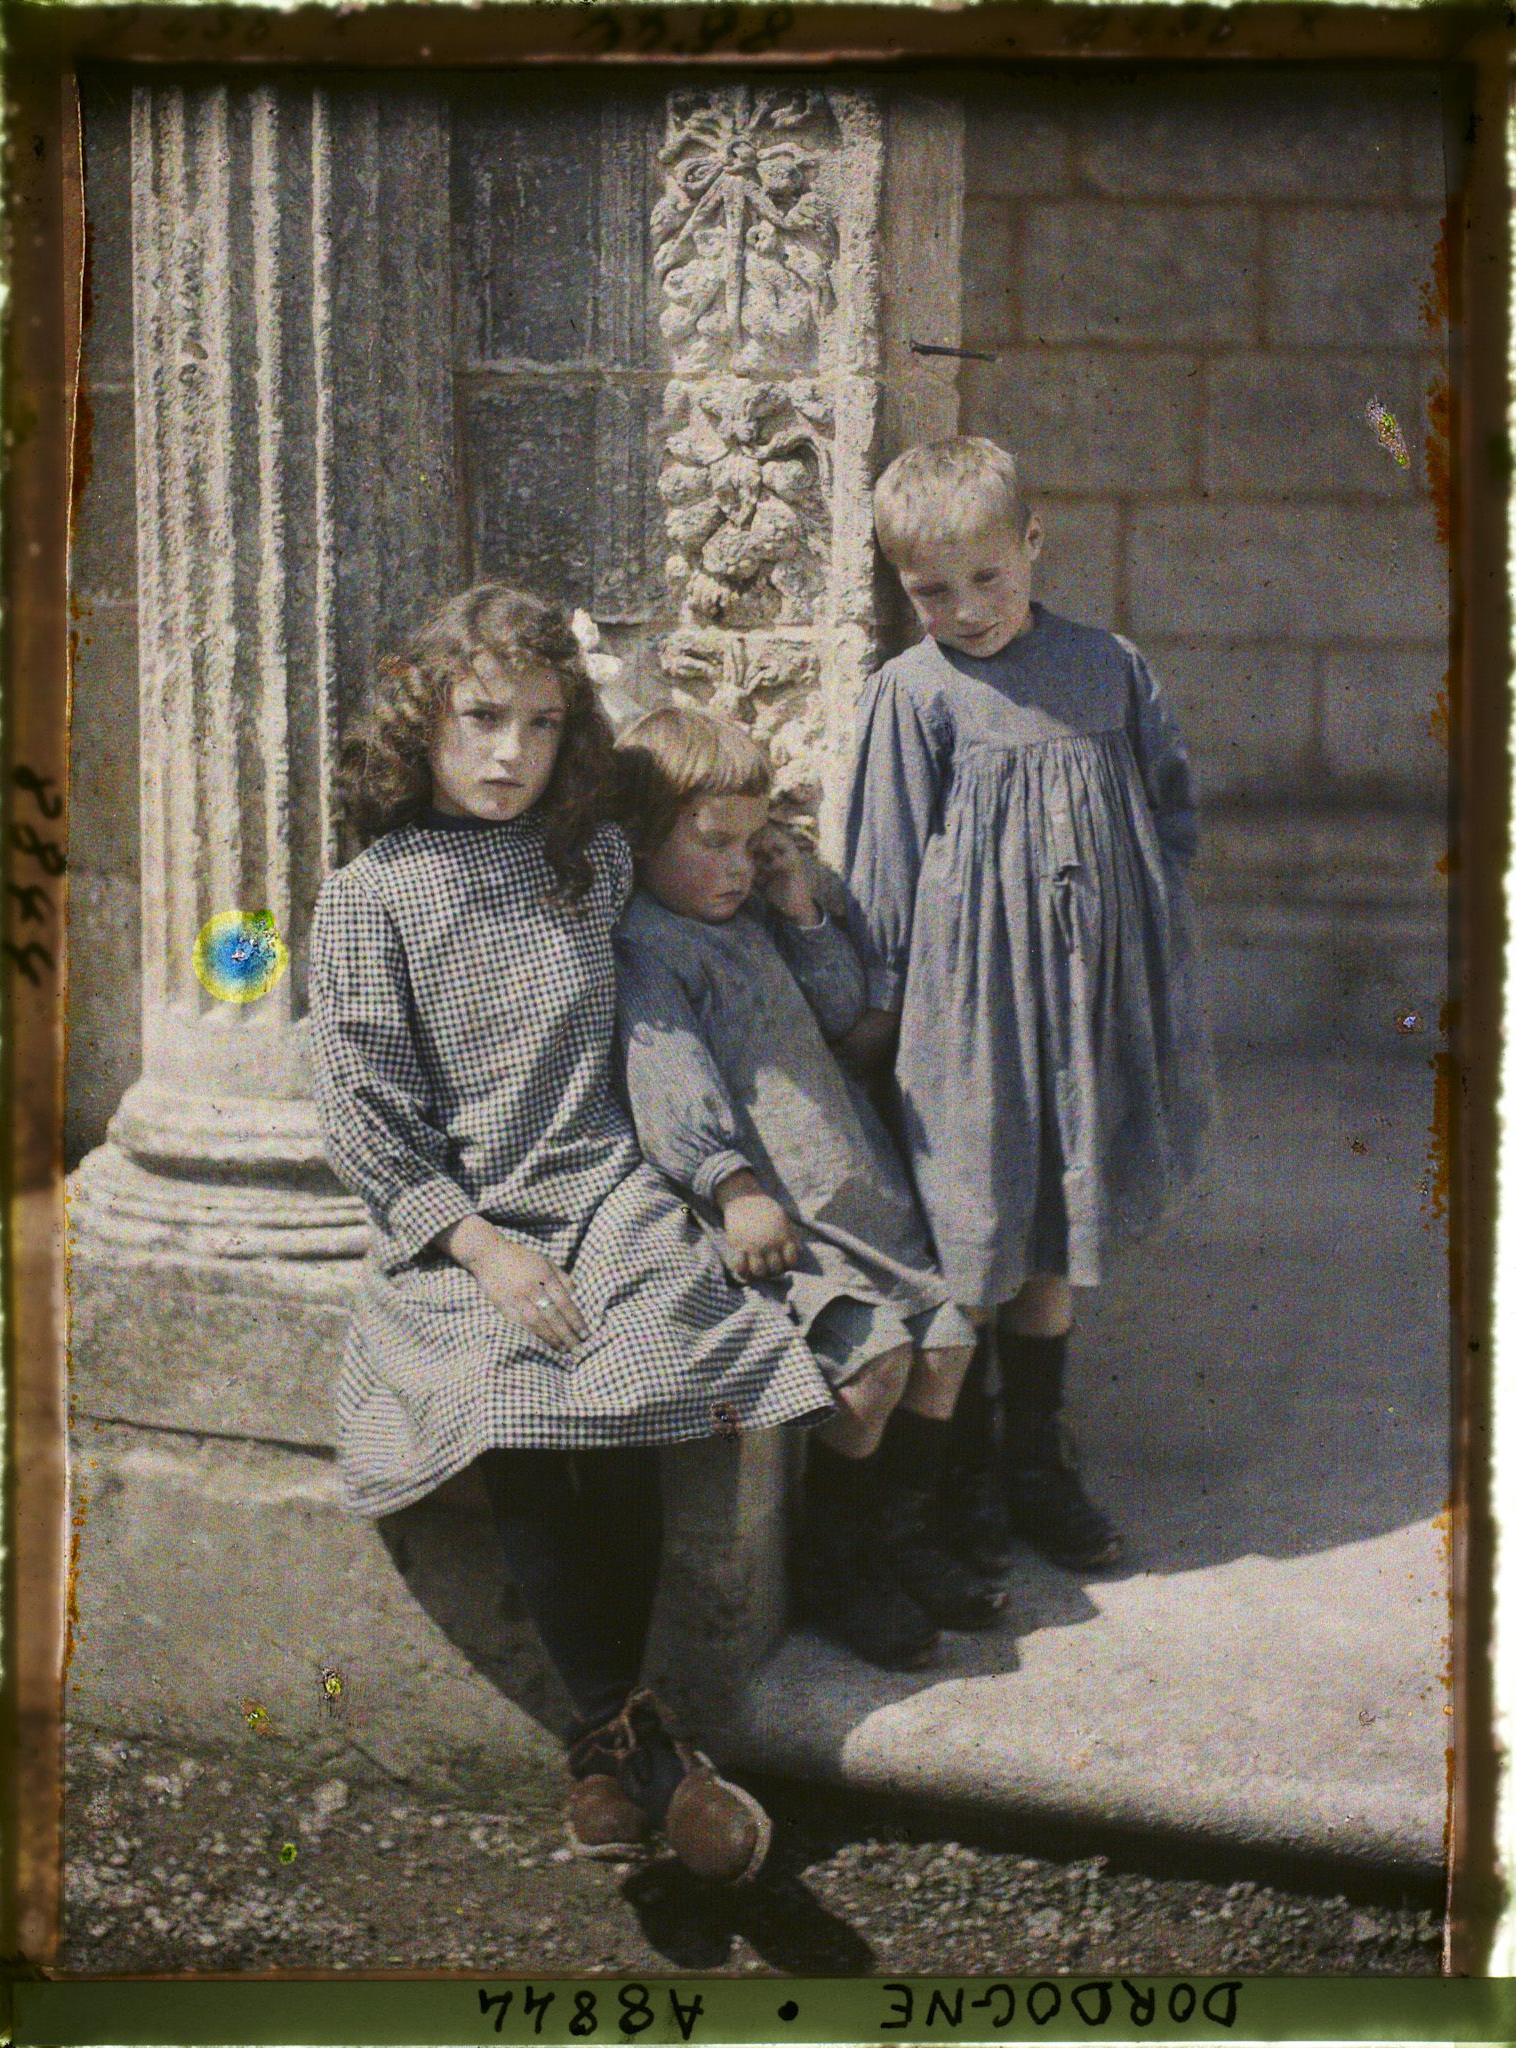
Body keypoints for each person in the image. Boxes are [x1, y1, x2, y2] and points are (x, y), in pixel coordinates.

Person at [308, 584, 836, 1884]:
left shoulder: (587, 861)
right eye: (480, 720)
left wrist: (789, 871)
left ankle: (614, 1759)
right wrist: (478, 1247)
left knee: (652, 1345)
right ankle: (630, 1744)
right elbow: (361, 1108)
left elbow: (681, 949)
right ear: (418, 724)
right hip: (467, 1226)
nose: (509, 755)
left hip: (603, 1189)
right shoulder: (371, 898)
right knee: (512, 1387)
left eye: (542, 726)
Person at [841, 436, 1214, 1575]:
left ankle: (1033, 1461)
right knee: (974, 1225)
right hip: (970, 1018)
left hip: (1086, 1005)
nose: (966, 609)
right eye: (931, 592)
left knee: (1057, 1219)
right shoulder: (913, 694)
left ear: (1033, 545)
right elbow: (881, 871)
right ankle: (951, 1478)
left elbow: (1167, 809)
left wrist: (1131, 940)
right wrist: (881, 1014)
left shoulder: (1108, 666)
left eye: (988, 578)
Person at [612, 705, 1004, 1675]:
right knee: (872, 1368)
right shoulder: (650, 947)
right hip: (781, 1212)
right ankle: (838, 1559)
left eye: (754, 844)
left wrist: (797, 909)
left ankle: (903, 1534)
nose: (738, 866)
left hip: (854, 1187)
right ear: (639, 835)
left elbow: (842, 1014)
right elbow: (669, 1079)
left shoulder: (753, 919)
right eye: (714, 844)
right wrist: (731, 1182)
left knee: (947, 1341)